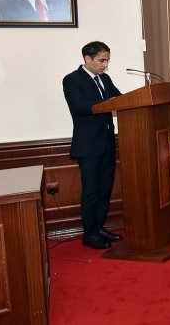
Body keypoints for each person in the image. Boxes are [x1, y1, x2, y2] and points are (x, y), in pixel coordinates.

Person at [63, 42, 123, 249]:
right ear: (88, 59)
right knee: (91, 192)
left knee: (105, 190)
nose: (105, 65)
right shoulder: (72, 80)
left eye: (107, 60)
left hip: (107, 143)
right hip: (88, 146)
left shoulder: (105, 79)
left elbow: (121, 99)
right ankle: (90, 234)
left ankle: (99, 228)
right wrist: (109, 103)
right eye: (102, 60)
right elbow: (80, 107)